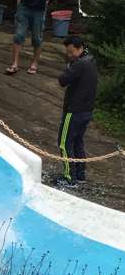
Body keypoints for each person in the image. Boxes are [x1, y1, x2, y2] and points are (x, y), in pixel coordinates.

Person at [54, 36, 98, 187]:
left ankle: (69, 178)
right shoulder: (91, 60)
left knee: (64, 143)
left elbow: (62, 80)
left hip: (74, 111)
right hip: (86, 111)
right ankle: (80, 175)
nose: (69, 55)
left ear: (80, 48)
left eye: (71, 52)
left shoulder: (79, 64)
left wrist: (70, 65)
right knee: (77, 142)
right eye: (67, 52)